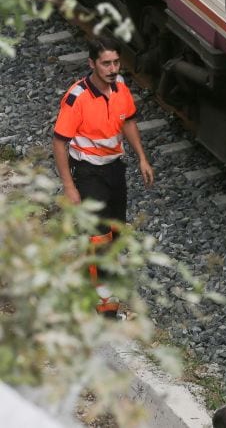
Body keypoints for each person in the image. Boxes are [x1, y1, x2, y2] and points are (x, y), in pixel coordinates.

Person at [52, 35, 154, 316]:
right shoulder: (77, 98)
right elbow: (60, 142)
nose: (112, 69)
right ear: (92, 64)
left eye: (116, 62)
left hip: (114, 169)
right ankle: (106, 311)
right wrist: (69, 187)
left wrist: (142, 158)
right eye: (106, 63)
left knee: (114, 235)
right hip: (88, 173)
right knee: (100, 239)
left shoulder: (120, 88)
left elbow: (129, 121)